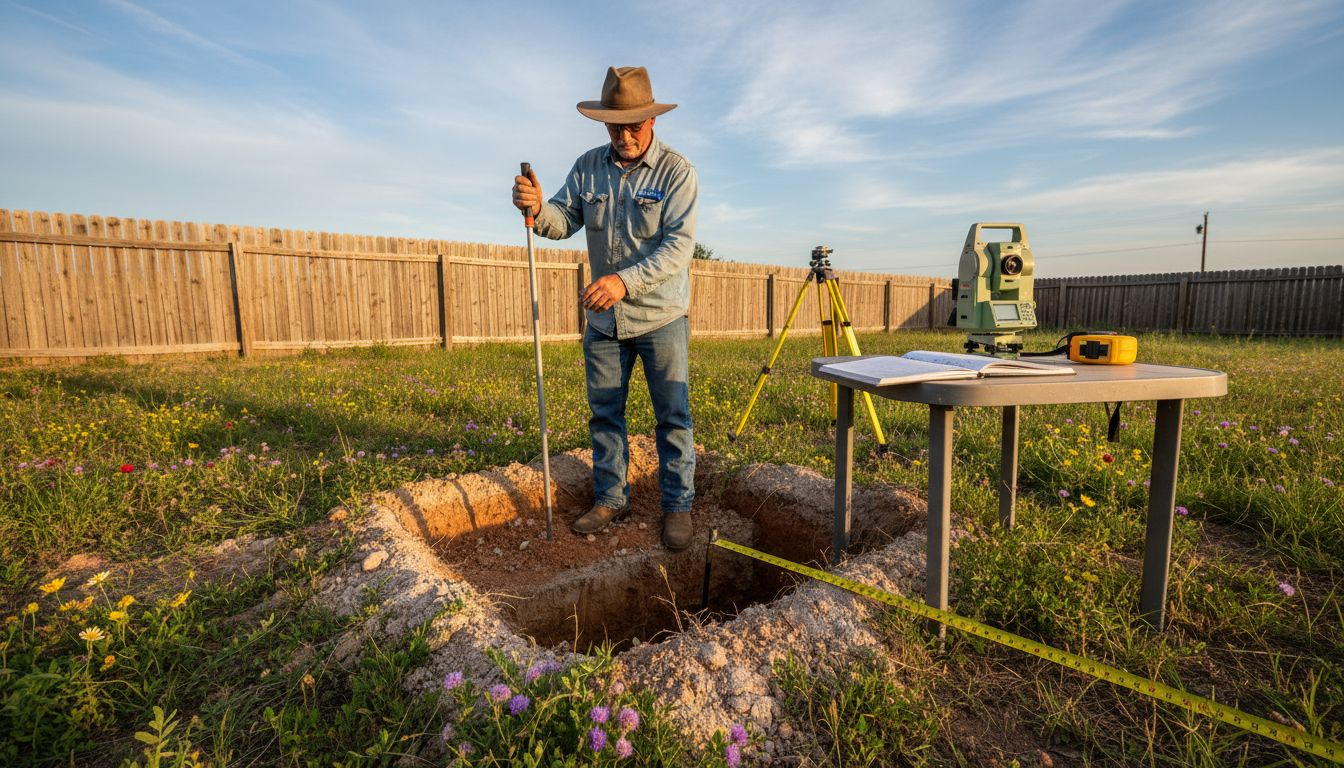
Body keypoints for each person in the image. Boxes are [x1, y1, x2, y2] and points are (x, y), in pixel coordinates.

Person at [510, 66, 697, 551]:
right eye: (615, 127)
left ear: (652, 121)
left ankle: (677, 505)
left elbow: (678, 248)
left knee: (672, 416)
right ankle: (612, 498)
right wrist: (536, 207)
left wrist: (622, 281)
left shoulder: (677, 172)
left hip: (661, 317)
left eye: (633, 126)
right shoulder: (587, 167)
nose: (624, 137)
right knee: (605, 415)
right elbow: (562, 219)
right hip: (604, 321)